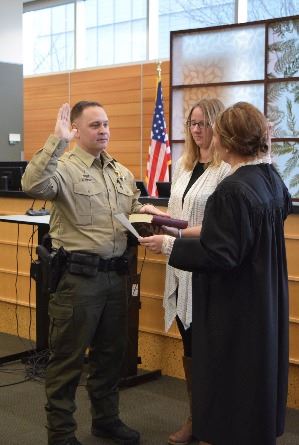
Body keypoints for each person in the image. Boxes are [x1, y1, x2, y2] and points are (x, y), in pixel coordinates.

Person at [139, 102, 292, 445]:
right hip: (263, 293)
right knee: (257, 374)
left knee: (230, 375)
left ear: (226, 139)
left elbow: (220, 253)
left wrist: (168, 245)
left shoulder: (232, 189)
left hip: (235, 301)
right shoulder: (270, 178)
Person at [22, 101, 166, 445]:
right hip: (77, 281)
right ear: (75, 130)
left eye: (106, 123)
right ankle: (61, 434)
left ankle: (106, 420)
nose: (103, 130)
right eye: (94, 125)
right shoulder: (64, 168)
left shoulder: (120, 171)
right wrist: (55, 142)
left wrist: (144, 213)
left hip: (116, 278)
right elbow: (32, 185)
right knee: (67, 361)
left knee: (110, 356)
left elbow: (129, 209)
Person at [151, 98, 231, 445]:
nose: (198, 130)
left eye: (205, 123)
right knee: (190, 348)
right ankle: (195, 418)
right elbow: (176, 213)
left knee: (211, 352)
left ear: (219, 126)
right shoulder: (184, 167)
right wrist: (154, 215)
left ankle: (216, 424)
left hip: (208, 268)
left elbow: (215, 226)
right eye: (193, 124)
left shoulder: (226, 170)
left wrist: (176, 232)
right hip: (181, 267)